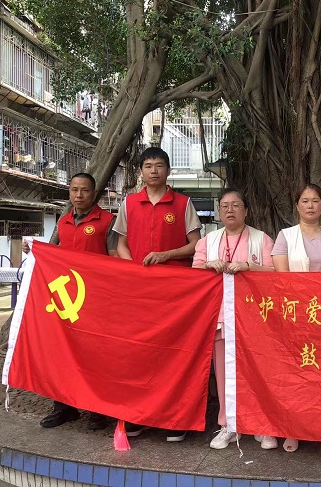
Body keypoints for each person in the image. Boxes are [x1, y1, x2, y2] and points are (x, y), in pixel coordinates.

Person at [113, 147, 202, 442]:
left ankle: (175, 418)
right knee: (139, 351)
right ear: (141, 171)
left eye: (159, 165)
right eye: (148, 165)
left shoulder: (183, 203)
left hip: (174, 291)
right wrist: (131, 267)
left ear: (168, 170)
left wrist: (166, 255)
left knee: (173, 352)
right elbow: (121, 243)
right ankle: (139, 415)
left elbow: (196, 245)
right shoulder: (129, 203)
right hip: (138, 292)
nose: (154, 170)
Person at [28, 172, 118, 431]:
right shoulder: (63, 221)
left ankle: (98, 410)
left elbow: (115, 258)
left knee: (94, 354)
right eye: (74, 190)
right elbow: (53, 252)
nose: (79, 195)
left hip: (96, 300)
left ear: (94, 193)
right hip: (66, 301)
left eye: (85, 190)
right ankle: (64, 407)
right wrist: (35, 250)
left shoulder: (108, 221)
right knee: (62, 352)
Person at [192, 188, 276, 450]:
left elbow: (275, 273)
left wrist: (249, 267)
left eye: (236, 205)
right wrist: (208, 265)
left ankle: (262, 424)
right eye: (225, 205)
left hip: (255, 318)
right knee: (224, 373)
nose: (230, 210)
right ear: (219, 211)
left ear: (246, 211)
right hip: (220, 316)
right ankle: (229, 424)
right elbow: (194, 273)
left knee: (258, 371)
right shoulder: (208, 241)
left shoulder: (261, 239)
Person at [272, 184, 321, 453]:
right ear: (297, 206)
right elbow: (282, 278)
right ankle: (294, 430)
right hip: (296, 315)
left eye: (315, 201)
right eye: (305, 201)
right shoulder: (285, 236)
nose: (310, 206)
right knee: (297, 374)